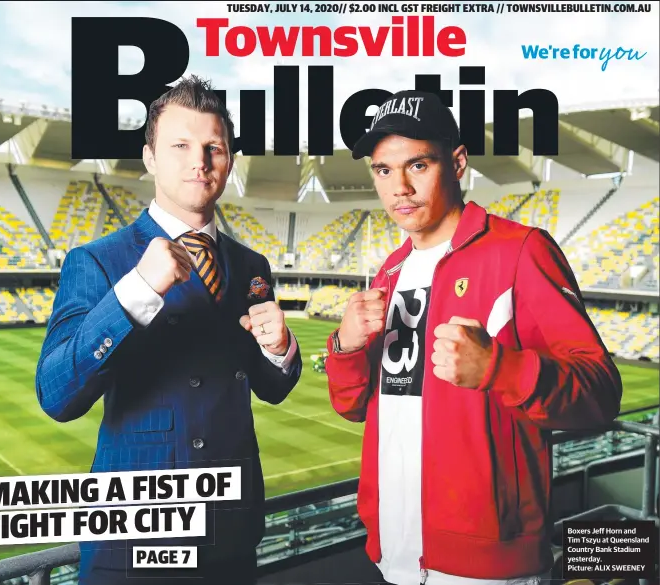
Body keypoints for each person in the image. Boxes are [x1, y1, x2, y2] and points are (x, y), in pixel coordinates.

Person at [325, 90, 623, 585]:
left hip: (487, 565)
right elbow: (354, 406)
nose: (399, 186)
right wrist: (347, 347)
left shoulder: (520, 251)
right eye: (382, 170)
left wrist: (501, 370)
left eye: (417, 165)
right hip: (392, 551)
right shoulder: (389, 272)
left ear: (458, 162)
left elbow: (600, 393)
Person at [35, 75, 303, 585]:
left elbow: (271, 389)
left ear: (229, 160)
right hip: (135, 541)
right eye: (180, 145)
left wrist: (280, 350)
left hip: (231, 535)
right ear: (150, 157)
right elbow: (55, 395)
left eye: (213, 147)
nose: (198, 161)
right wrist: (137, 290)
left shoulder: (252, 264)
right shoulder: (98, 260)